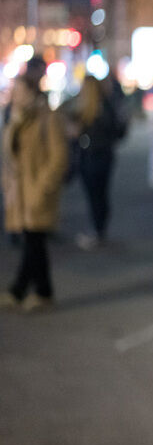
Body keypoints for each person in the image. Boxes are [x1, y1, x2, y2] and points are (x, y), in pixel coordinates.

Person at [0, 75, 68, 311]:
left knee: (34, 241)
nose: (14, 94)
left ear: (31, 92)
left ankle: (26, 290)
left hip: (37, 191)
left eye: (18, 90)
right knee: (33, 241)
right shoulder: (15, 118)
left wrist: (43, 186)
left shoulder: (47, 118)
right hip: (19, 193)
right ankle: (38, 290)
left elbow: (59, 157)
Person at [68, 75, 127, 249]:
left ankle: (97, 231)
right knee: (101, 194)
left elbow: (76, 134)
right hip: (104, 156)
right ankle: (100, 229)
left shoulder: (87, 109)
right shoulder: (106, 106)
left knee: (95, 196)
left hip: (91, 156)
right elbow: (118, 132)